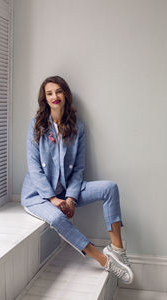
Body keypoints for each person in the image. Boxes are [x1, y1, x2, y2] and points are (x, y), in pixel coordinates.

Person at [21, 75, 134, 284]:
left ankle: (117, 250)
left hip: (67, 190)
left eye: (58, 91)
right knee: (56, 218)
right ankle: (104, 260)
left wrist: (71, 198)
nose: (54, 96)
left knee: (110, 188)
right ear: (44, 99)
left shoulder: (78, 128)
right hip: (38, 194)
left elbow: (78, 168)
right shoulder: (36, 126)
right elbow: (34, 167)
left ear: (65, 94)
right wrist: (53, 199)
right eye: (49, 93)